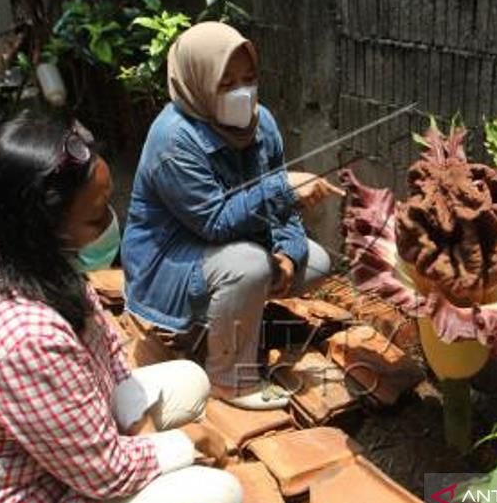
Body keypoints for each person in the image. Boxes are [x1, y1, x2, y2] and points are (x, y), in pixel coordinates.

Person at [0, 115, 241, 503]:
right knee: (219, 494)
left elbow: (106, 345)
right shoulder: (25, 337)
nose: (110, 224)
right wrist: (186, 443)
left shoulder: (37, 266)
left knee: (189, 379)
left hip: (46, 465)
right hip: (18, 502)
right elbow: (105, 474)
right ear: (41, 224)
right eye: (95, 217)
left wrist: (140, 431)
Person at [122, 22, 343, 410]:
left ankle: (234, 316)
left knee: (316, 262)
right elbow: (215, 221)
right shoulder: (173, 140)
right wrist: (282, 189)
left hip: (229, 248)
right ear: (198, 81)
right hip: (170, 263)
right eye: (226, 83)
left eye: (249, 78)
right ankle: (230, 379)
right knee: (248, 266)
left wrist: (289, 253)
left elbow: (280, 206)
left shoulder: (262, 123)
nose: (242, 92)